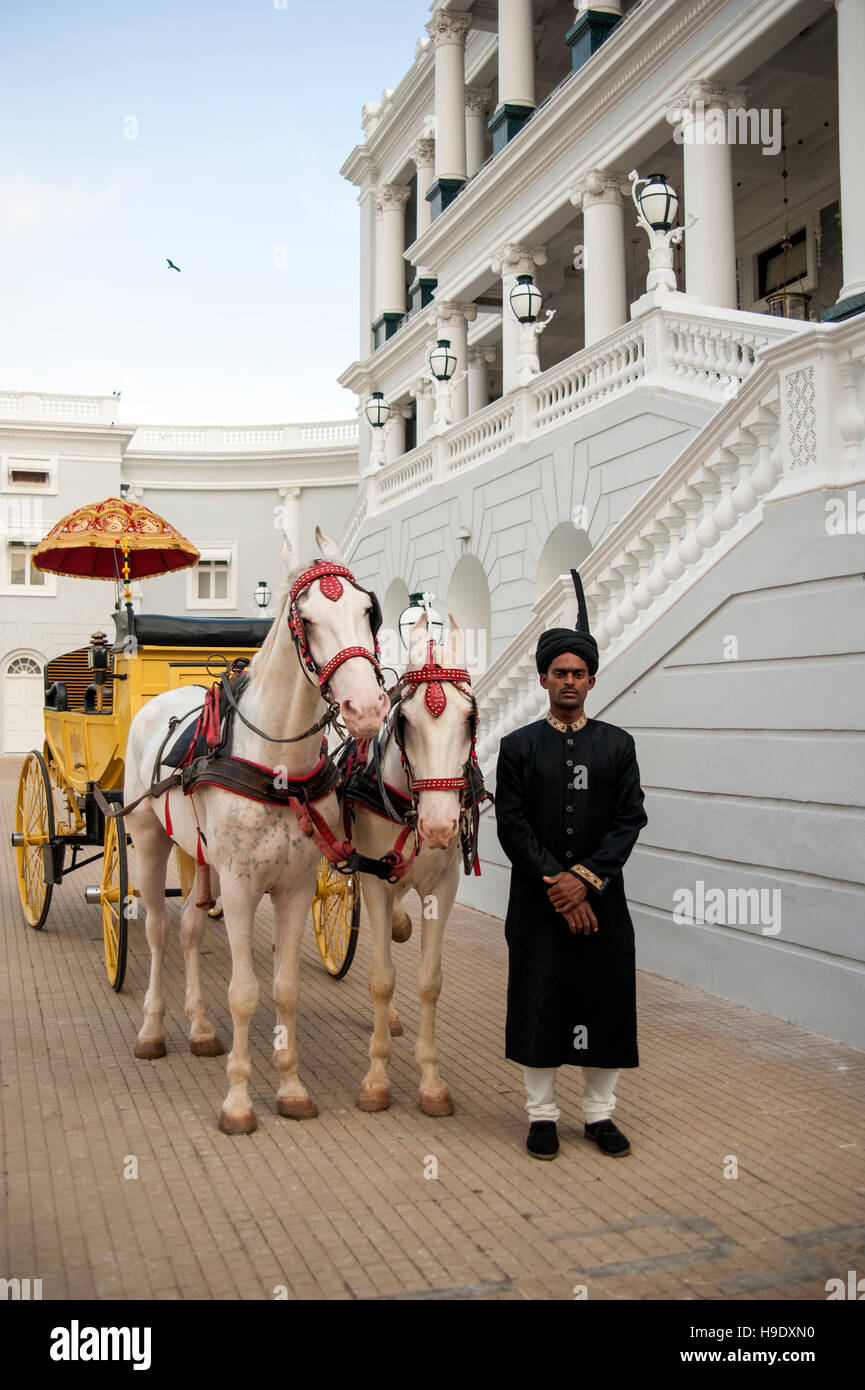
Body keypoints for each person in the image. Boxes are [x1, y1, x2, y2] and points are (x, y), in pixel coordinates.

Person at [494, 573, 647, 1160]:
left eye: (578, 673)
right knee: (540, 998)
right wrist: (557, 883)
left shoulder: (617, 745)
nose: (568, 681)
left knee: (603, 999)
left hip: (603, 902)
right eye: (558, 673)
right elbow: (512, 825)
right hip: (537, 903)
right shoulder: (519, 748)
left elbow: (628, 821)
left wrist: (585, 881)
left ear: (590, 679)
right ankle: (541, 1116)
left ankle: (599, 1114)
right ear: (542, 679)